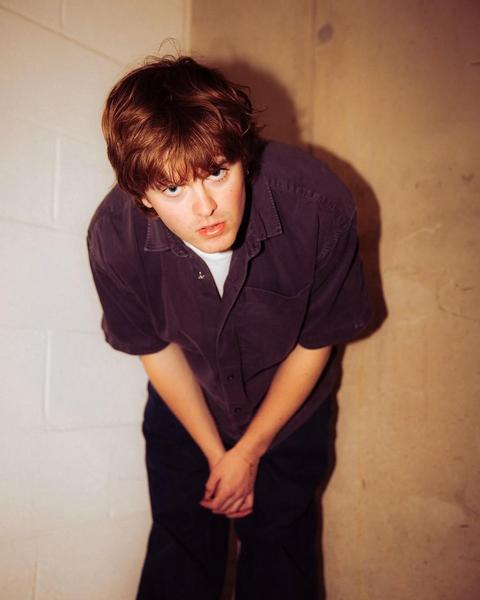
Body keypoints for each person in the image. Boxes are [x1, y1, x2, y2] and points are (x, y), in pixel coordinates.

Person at [87, 55, 372, 600]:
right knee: (179, 553)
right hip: (187, 402)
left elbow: (316, 342)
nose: (205, 208)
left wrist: (249, 451)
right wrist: (218, 454)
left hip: (290, 405)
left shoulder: (317, 205)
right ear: (142, 195)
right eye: (172, 190)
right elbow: (156, 350)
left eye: (217, 172)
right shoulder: (112, 237)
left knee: (280, 558)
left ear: (243, 154)